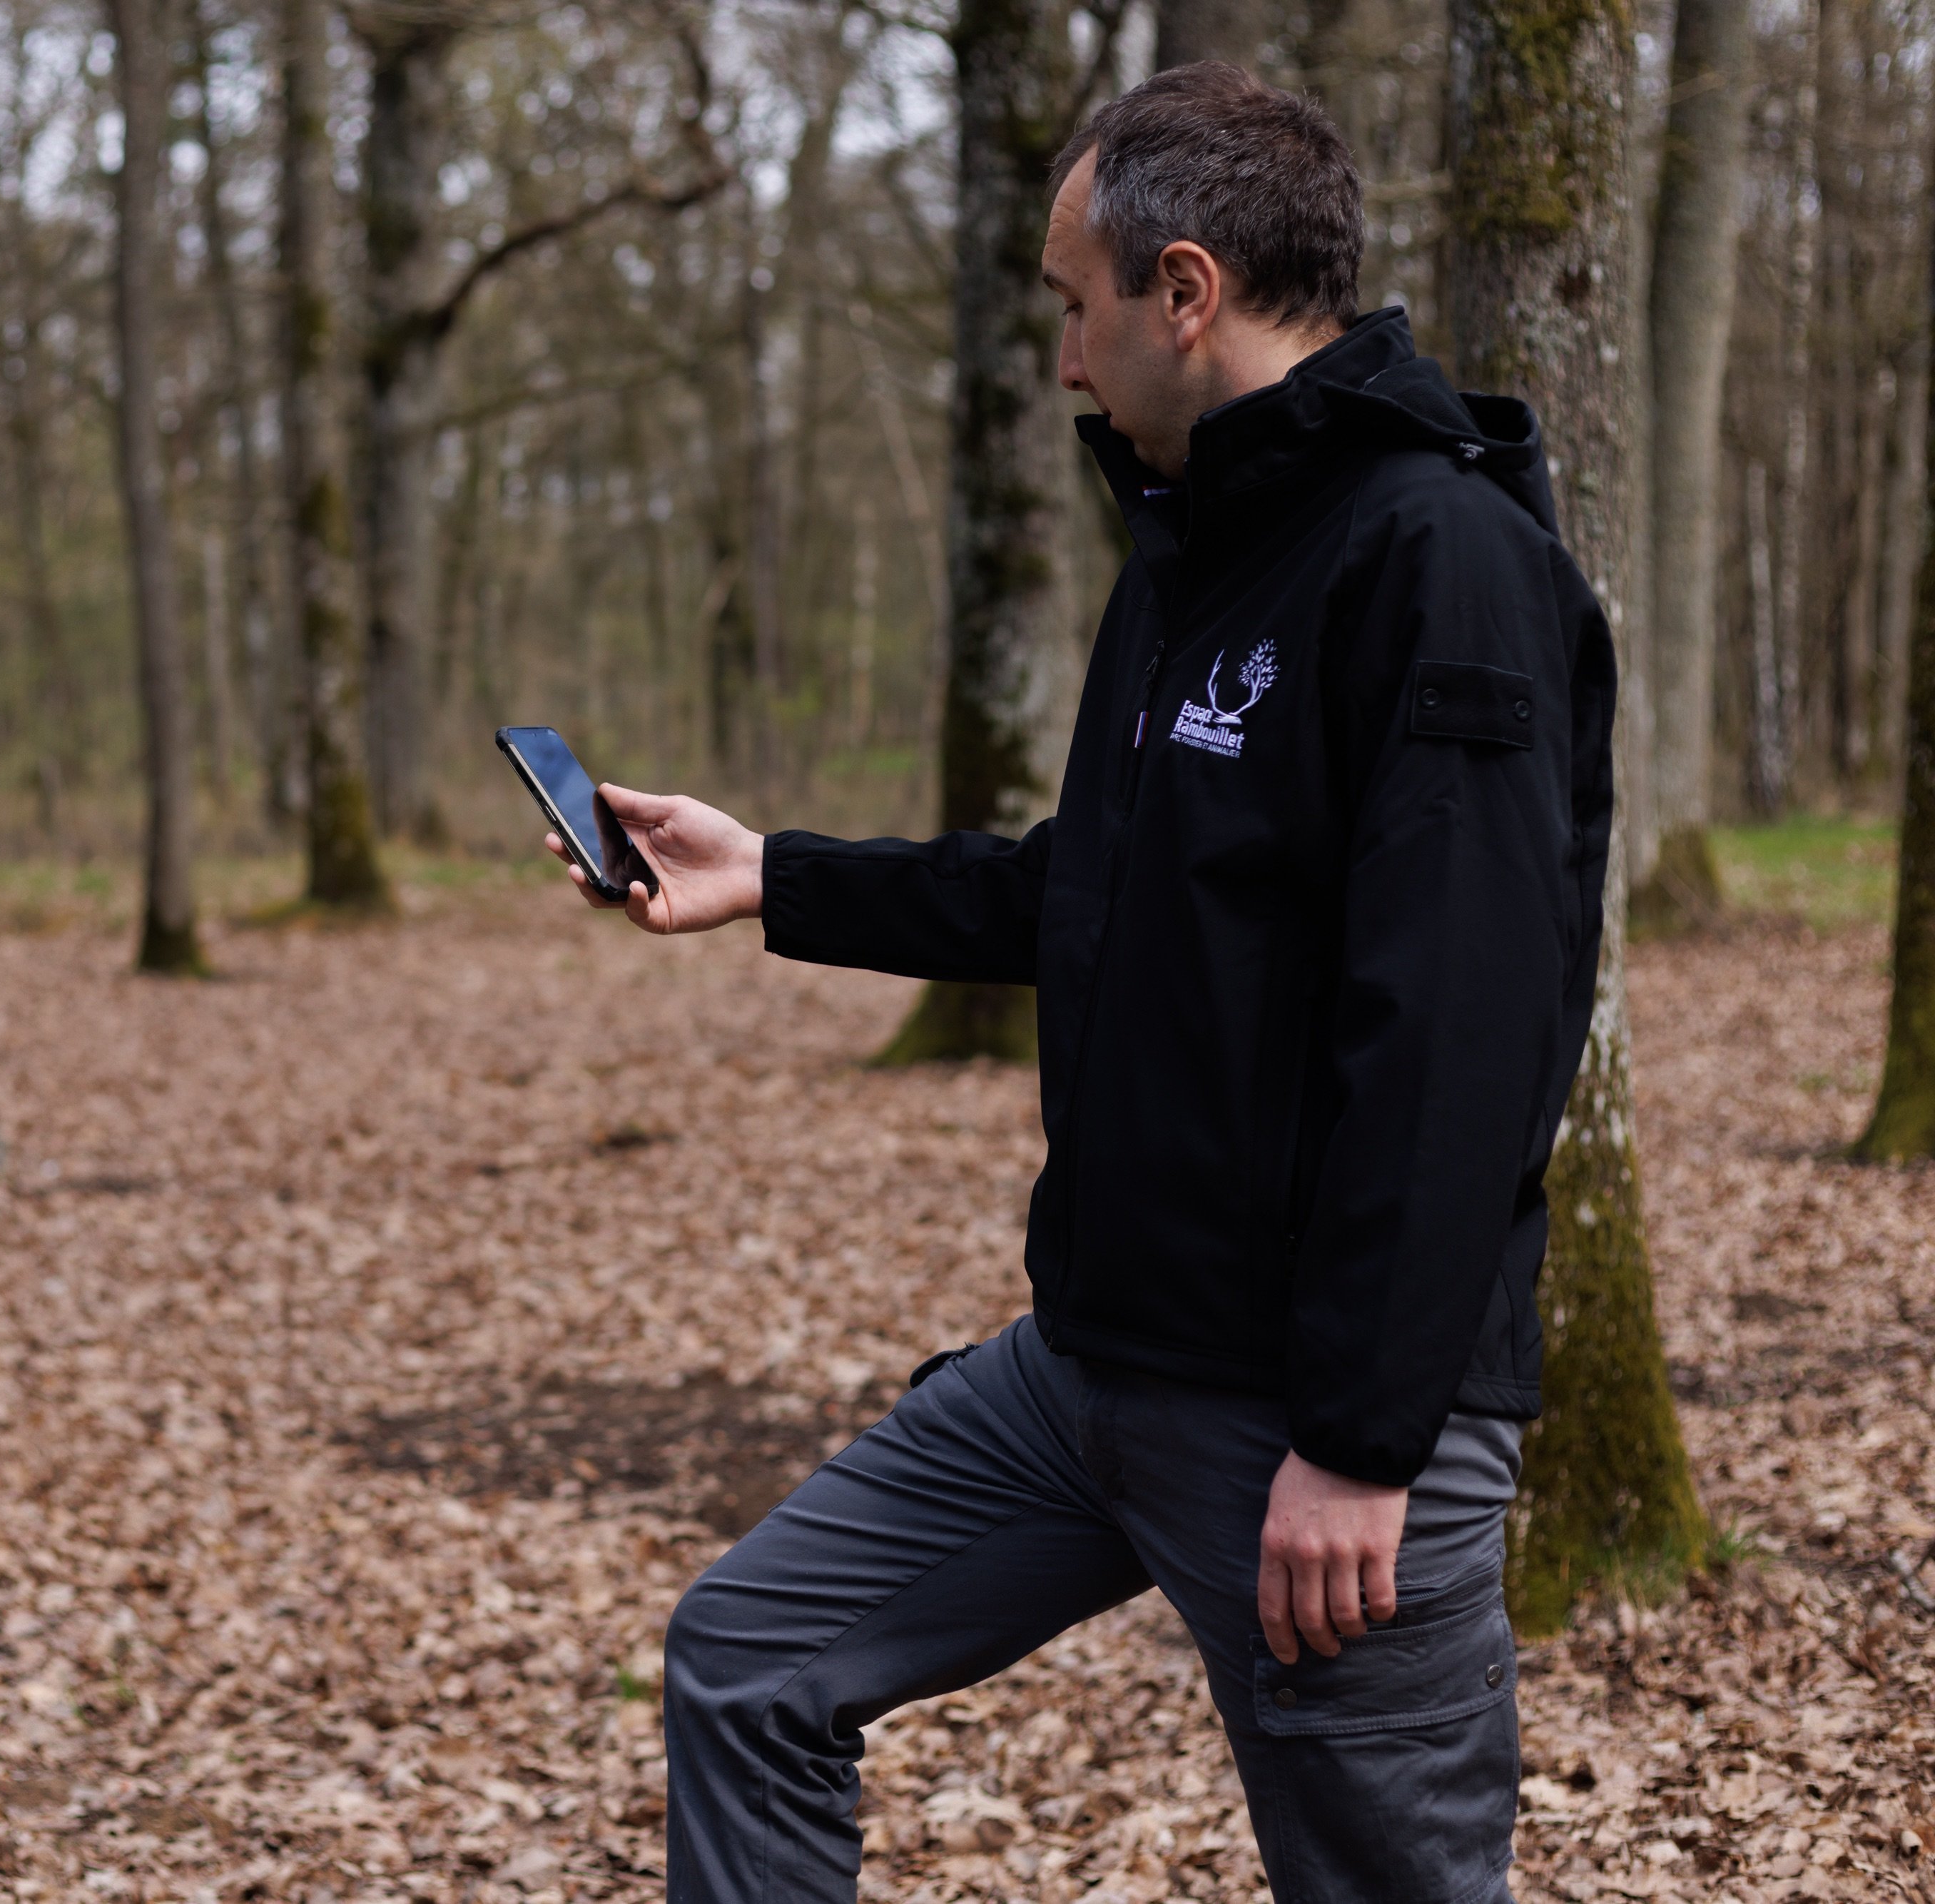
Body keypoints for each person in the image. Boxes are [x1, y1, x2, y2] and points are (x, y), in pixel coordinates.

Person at [547, 62, 1614, 1904]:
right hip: (1091, 1373)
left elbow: (1462, 1033)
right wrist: (774, 876)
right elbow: (1099, 896)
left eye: (1072, 302)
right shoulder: (1193, 546)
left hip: (1320, 1427)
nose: (1061, 354)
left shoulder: (1441, 569)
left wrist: (1363, 1446)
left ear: (1183, 292)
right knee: (749, 1660)